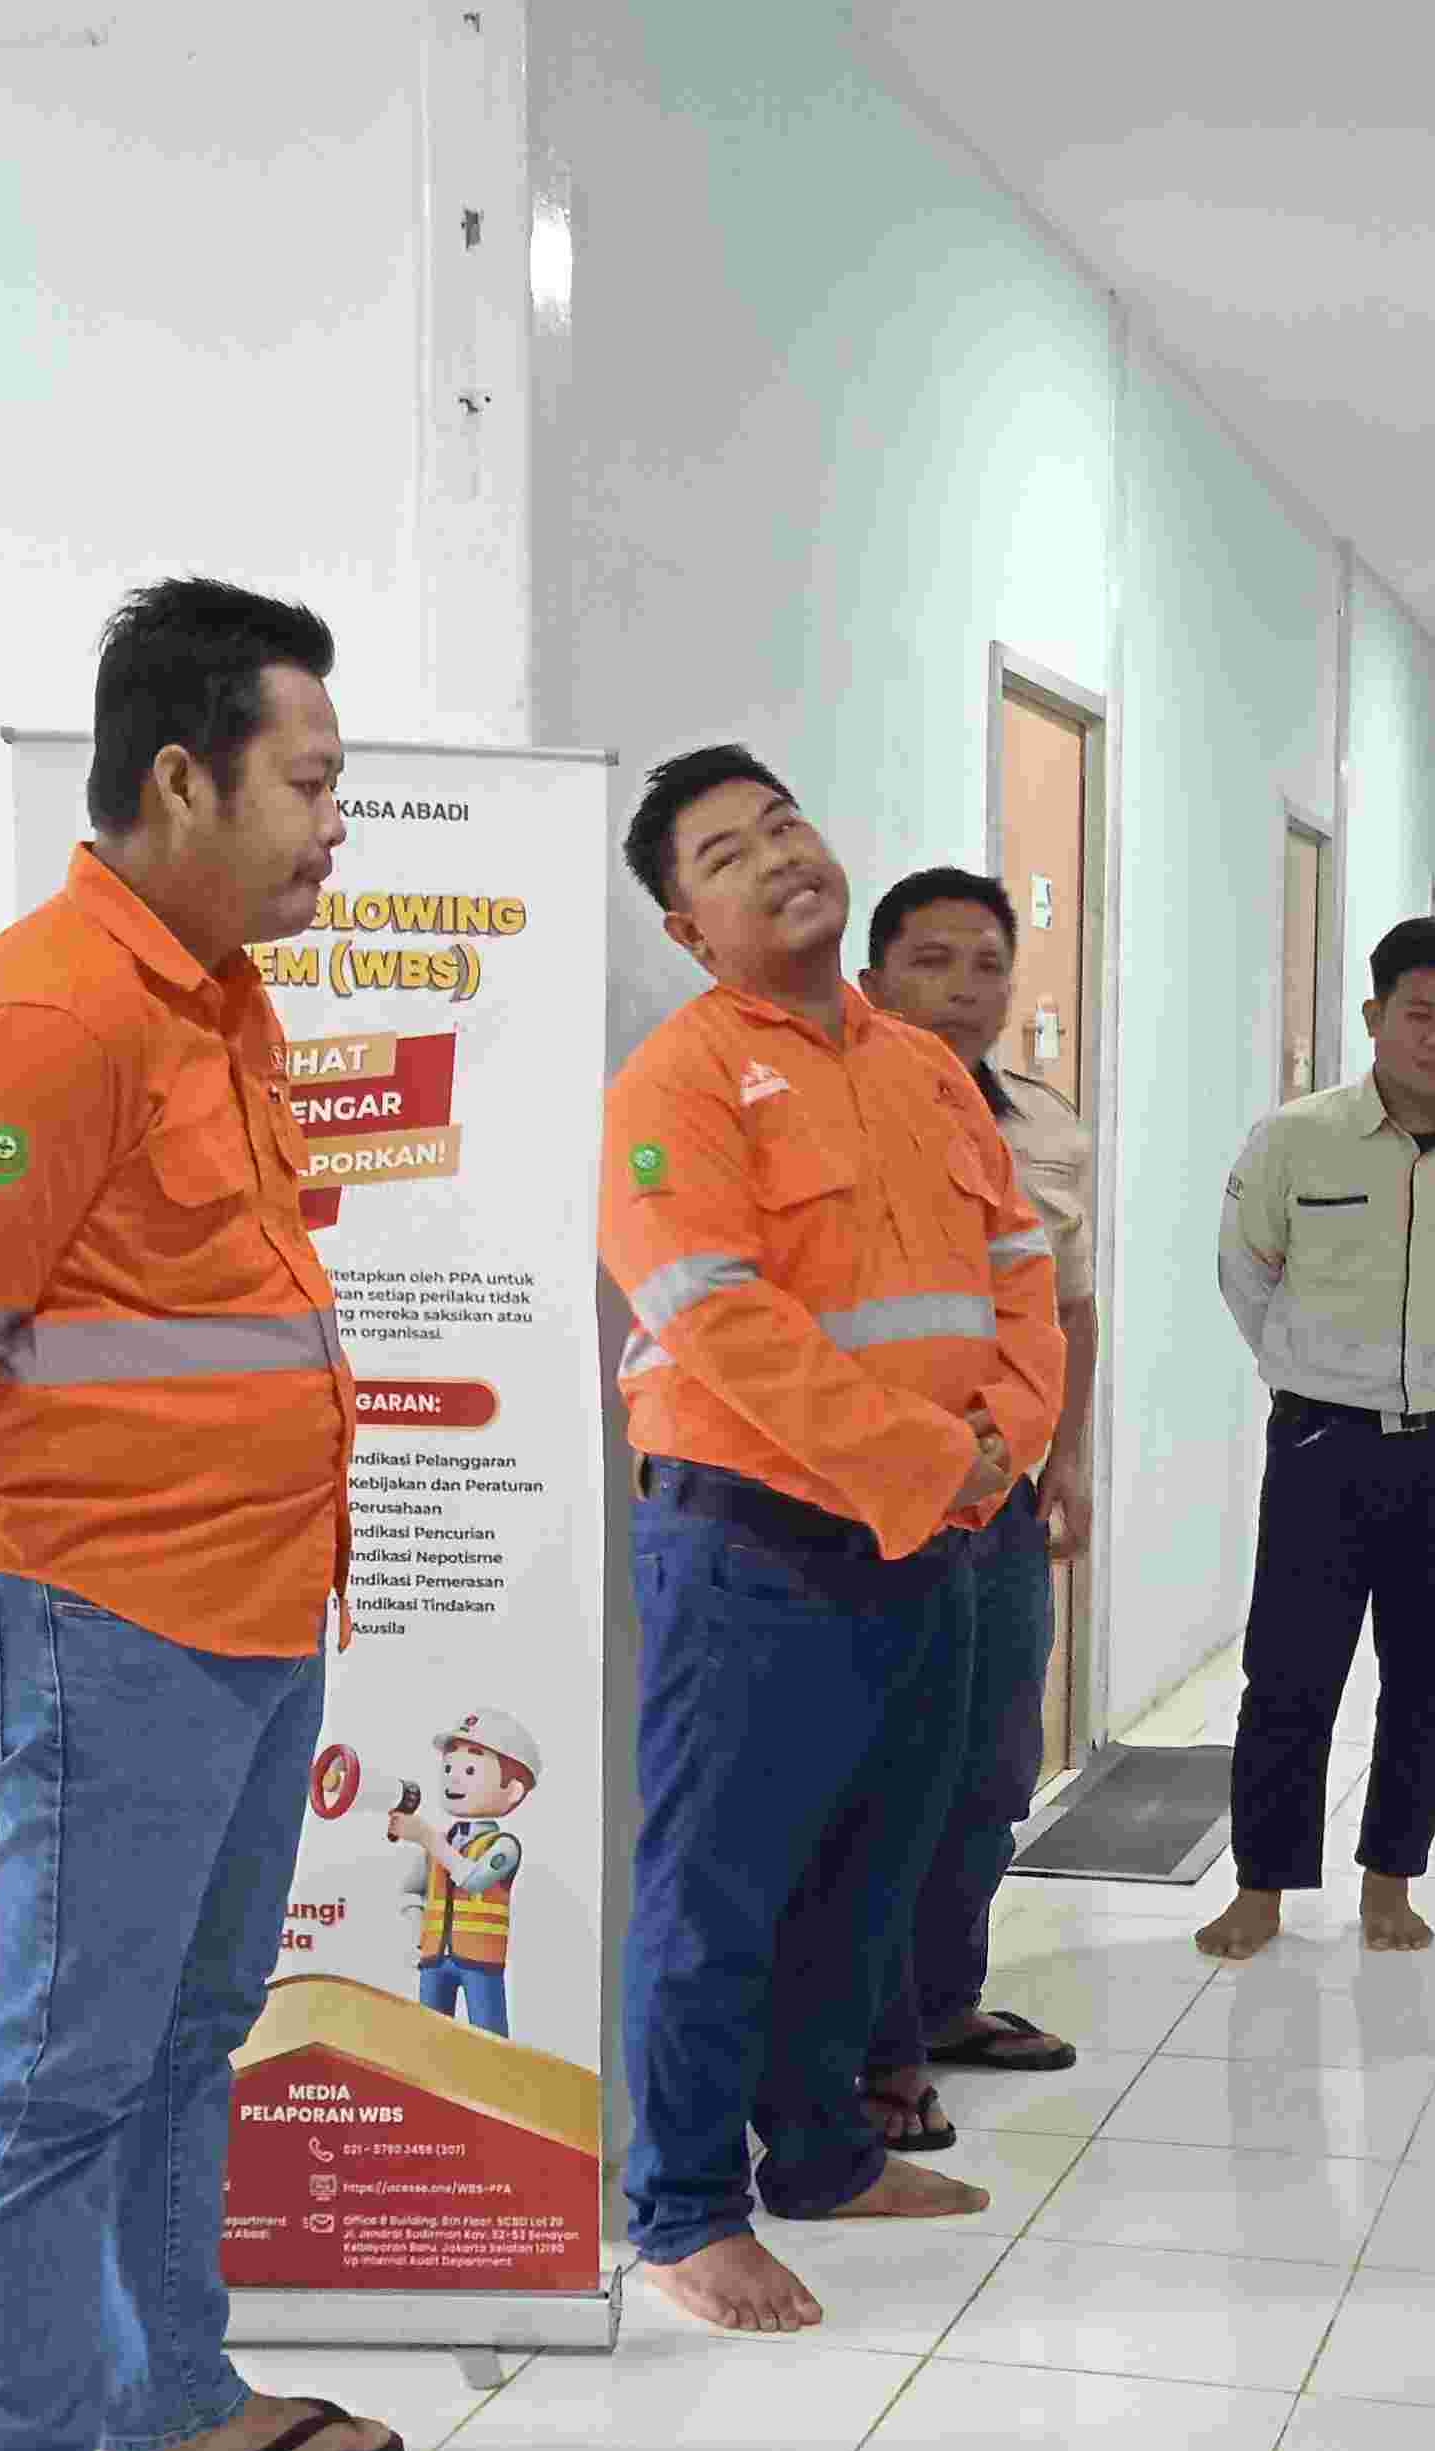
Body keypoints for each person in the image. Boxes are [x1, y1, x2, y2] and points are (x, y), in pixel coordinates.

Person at [0, 579, 406, 2451]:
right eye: (311, 783)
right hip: (105, 1618)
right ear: (183, 778)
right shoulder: (53, 1016)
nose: (334, 824)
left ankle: (173, 2398)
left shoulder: (216, 1002)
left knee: (191, 2029)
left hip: (253, 1607)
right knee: (61, 2081)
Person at [598, 748, 1060, 2334]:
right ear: (688, 926)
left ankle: (821, 2154)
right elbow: (715, 1319)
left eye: (784, 823)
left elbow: (1018, 1265)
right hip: (755, 1549)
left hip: (933, 1540)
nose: (778, 857)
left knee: (873, 1867)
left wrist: (1009, 1437)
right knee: (718, 1889)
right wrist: (938, 1455)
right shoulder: (677, 1082)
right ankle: (682, 2213)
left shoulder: (922, 1067)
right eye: (728, 854)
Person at [1199, 914, 1435, 1961]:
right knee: (1289, 1674)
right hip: (1323, 1442)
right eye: (1418, 1013)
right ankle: (1262, 1886)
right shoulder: (1294, 1140)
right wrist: (1312, 1368)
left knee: (1431, 1677)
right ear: (1374, 1016)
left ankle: (1390, 1880)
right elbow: (1246, 1271)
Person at [852, 868, 1088, 2147]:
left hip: (998, 1499)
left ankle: (941, 2004)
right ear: (873, 976)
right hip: (871, 1500)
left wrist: (1069, 1459)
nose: (962, 990)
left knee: (995, 1766)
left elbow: (1069, 1306)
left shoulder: (1043, 1126)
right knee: (883, 1777)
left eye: (987, 964)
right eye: (930, 961)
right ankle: (866, 2047)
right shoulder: (828, 1110)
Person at [391, 1708, 537, 2040]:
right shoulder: (440, 1842)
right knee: (428, 2043)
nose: (453, 1779)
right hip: (433, 1961)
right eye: (448, 1768)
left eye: (470, 1770)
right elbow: (409, 1891)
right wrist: (418, 1933)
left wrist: (426, 1837)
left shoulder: (503, 1846)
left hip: (480, 1962)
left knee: (490, 2044)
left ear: (513, 1791)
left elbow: (473, 1880)